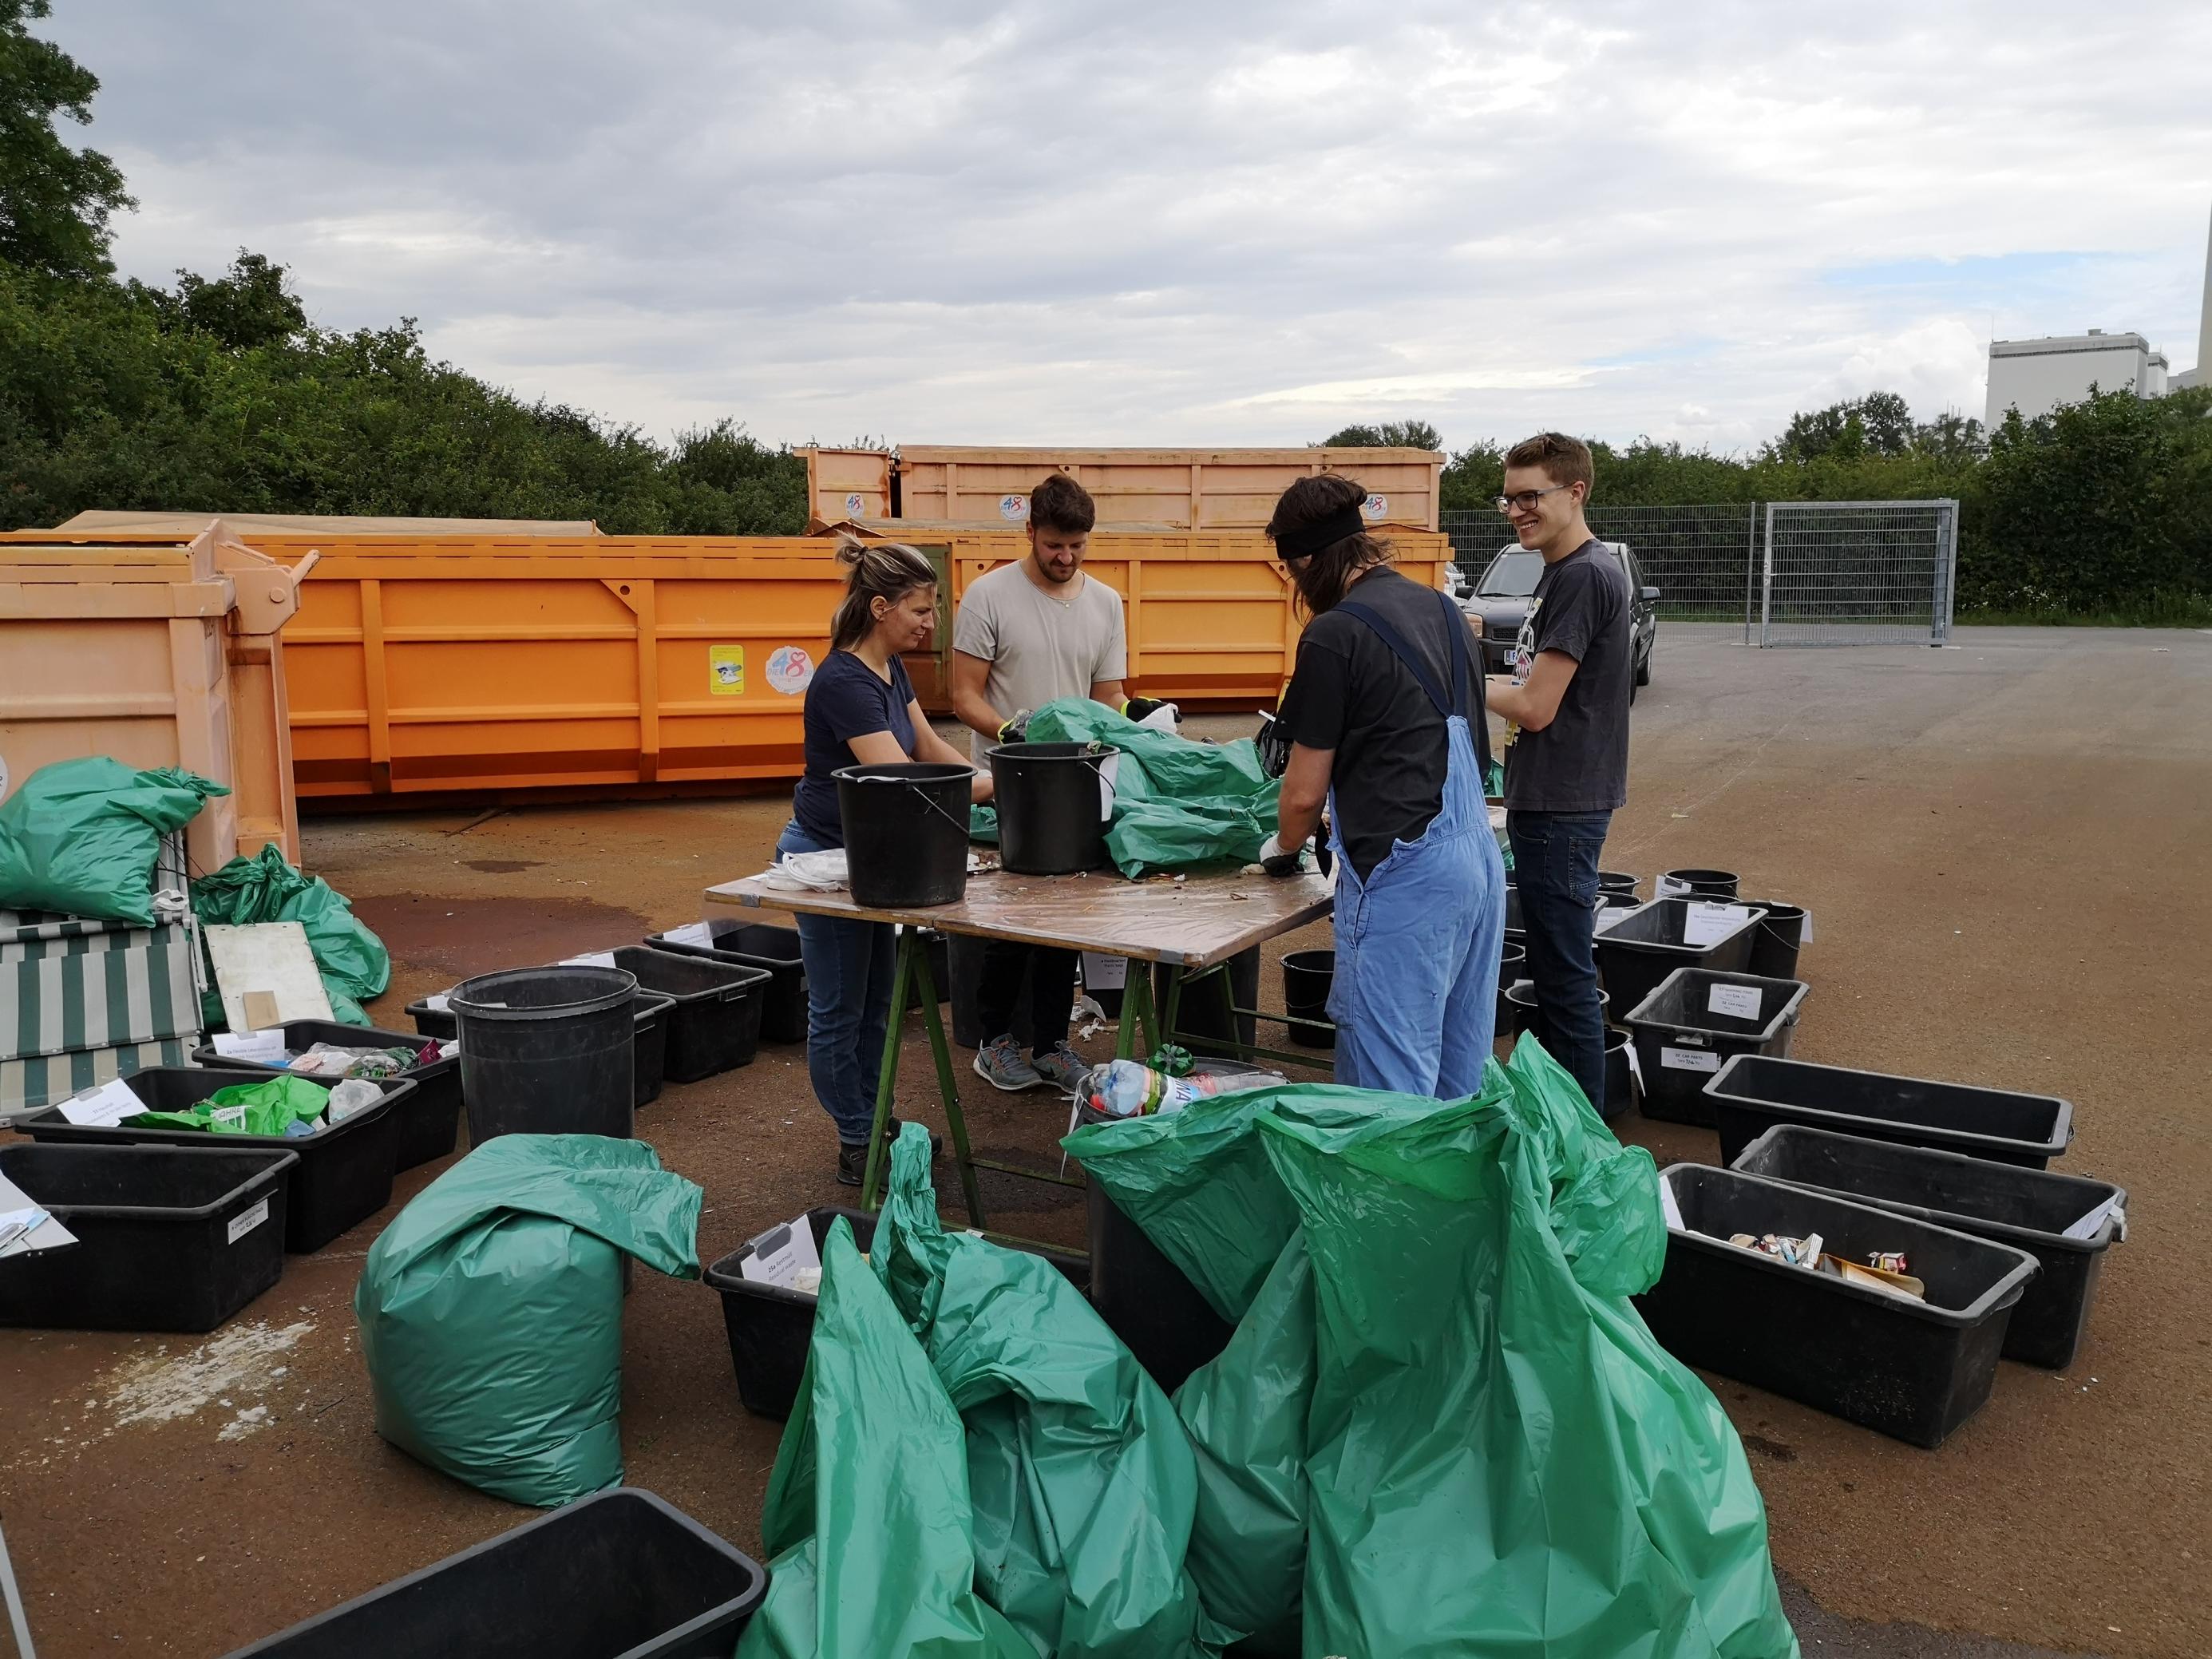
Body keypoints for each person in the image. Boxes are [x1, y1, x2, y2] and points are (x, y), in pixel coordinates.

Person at [1264, 473, 1507, 1097]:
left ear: (1310, 560)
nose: (1296, 588)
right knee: (1459, 1079)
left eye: (1293, 573)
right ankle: (1458, 1194)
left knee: (1390, 1094)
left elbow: (1300, 795)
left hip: (1409, 880)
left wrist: (1282, 851)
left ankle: (1393, 1196)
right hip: (1477, 860)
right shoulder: (1444, 611)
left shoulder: (1334, 633)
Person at [781, 538, 991, 1184]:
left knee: (876, 1005)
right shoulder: (842, 681)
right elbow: (901, 780)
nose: (930, 623)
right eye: (921, 610)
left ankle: (873, 1118)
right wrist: (996, 785)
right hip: (826, 860)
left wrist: (997, 774)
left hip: (873, 861)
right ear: (880, 607)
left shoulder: (889, 671)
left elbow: (930, 747)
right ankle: (855, 1135)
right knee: (839, 1007)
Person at [949, 473, 1168, 1091]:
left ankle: (1049, 1044)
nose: (1064, 557)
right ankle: (994, 1042)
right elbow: (963, 697)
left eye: (1076, 545)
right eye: (1053, 545)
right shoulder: (988, 596)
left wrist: (1144, 721)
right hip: (1007, 785)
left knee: (1067, 920)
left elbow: (1106, 699)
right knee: (1008, 921)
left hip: (1079, 787)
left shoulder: (1104, 603)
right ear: (1030, 532)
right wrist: (1016, 736)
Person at [1482, 432, 1633, 1111]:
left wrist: (1455, 673)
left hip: (1561, 806)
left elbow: (1536, 707)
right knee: (1555, 972)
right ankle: (1567, 1123)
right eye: (1509, 498)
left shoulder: (1581, 576)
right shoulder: (1566, 571)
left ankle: (1584, 1144)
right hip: (1554, 799)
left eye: (1531, 496)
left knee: (1564, 980)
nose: (1517, 510)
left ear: (1574, 492)